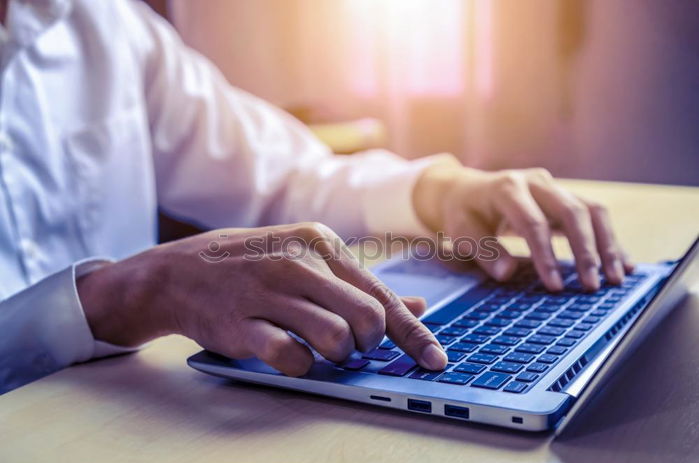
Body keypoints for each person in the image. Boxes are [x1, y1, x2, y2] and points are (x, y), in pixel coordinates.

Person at [0, 0, 632, 394]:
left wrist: (438, 191)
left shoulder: (104, 22)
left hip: (131, 411)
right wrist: (118, 296)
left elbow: (280, 176)